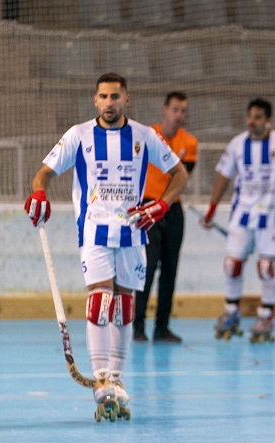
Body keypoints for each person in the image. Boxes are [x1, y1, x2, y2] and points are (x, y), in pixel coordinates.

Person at [25, 73, 188, 417]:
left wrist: (162, 204)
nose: (109, 102)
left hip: (133, 232)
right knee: (101, 300)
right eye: (103, 96)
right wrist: (39, 192)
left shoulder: (146, 136)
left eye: (116, 96)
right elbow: (43, 173)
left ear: (126, 99)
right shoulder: (79, 135)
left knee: (126, 307)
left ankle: (117, 377)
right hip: (94, 231)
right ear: (94, 100)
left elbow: (180, 174)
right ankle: (100, 378)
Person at [201, 98, 275, 343]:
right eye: (250, 116)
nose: (252, 121)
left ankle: (266, 316)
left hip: (270, 216)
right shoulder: (237, 144)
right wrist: (211, 208)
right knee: (231, 264)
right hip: (241, 215)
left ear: (268, 120)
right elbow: (223, 176)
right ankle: (231, 312)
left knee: (266, 268)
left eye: (258, 117)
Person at [134, 91, 198, 344]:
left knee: (170, 271)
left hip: (172, 209)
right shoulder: (146, 136)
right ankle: (137, 326)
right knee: (147, 268)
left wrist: (166, 200)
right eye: (175, 109)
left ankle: (162, 328)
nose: (179, 115)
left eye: (183, 111)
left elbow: (181, 178)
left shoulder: (189, 143)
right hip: (147, 207)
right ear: (165, 110)